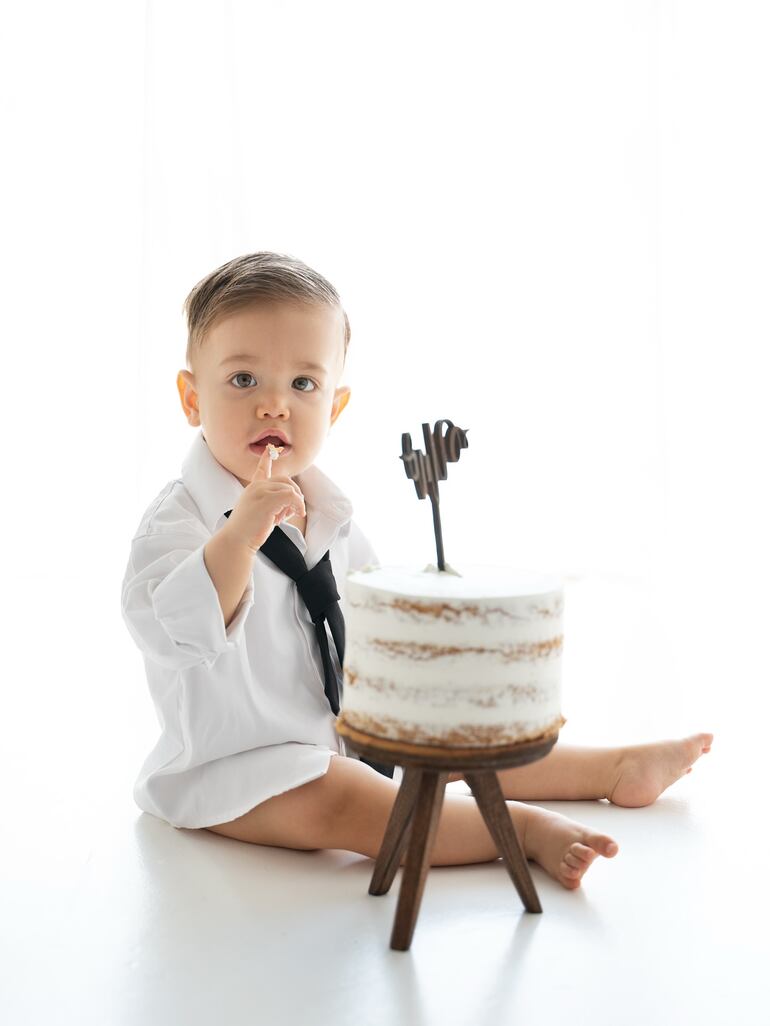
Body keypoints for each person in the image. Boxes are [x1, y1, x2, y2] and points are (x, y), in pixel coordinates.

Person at [121, 251, 714, 890]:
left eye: (303, 385)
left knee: (445, 744)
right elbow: (176, 629)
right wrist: (239, 536)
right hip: (241, 768)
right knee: (347, 798)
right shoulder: (181, 523)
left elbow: (373, 619)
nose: (274, 406)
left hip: (343, 734)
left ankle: (609, 768)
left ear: (336, 406)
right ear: (191, 398)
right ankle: (518, 830)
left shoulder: (327, 508)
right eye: (243, 380)